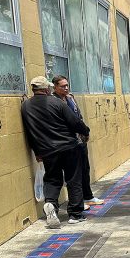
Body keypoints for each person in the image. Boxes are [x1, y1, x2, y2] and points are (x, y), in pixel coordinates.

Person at [21, 76, 90, 228]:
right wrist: (85, 131)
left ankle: (51, 204)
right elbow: (74, 122)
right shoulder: (56, 102)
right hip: (68, 147)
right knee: (73, 179)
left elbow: (29, 132)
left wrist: (37, 151)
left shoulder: (26, 106)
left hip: (46, 150)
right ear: (47, 89)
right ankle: (75, 214)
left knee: (52, 179)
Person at [52, 76, 104, 211]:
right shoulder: (54, 101)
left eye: (67, 85)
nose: (66, 88)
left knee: (85, 168)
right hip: (68, 142)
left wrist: (84, 132)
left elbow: (78, 117)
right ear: (55, 87)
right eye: (62, 86)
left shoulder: (70, 98)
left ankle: (88, 196)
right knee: (74, 175)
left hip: (80, 140)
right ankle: (78, 201)